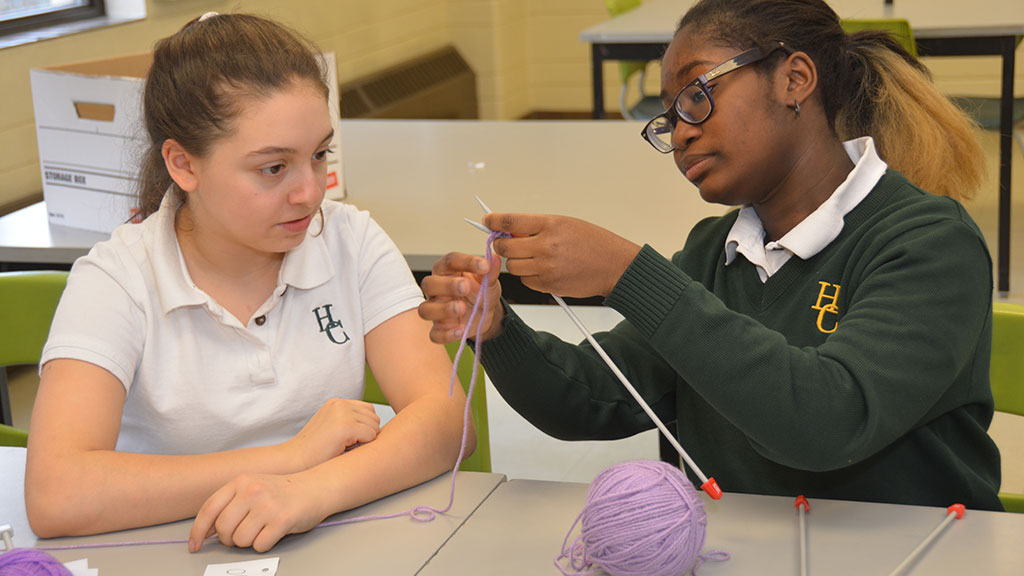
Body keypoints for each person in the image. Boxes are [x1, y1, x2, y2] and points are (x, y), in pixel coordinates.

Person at [419, 0, 1003, 510]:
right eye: (668, 118)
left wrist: (629, 274)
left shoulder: (927, 243)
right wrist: (495, 329)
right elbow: (594, 400)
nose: (680, 134)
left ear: (794, 79)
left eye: (698, 96)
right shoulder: (712, 251)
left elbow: (829, 421)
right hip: (745, 549)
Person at [26, 13, 471, 552]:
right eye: (272, 168)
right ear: (183, 164)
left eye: (318, 154)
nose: (310, 192)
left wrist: (310, 490)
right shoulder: (117, 279)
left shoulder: (351, 241)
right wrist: (292, 458)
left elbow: (448, 420)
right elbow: (57, 494)